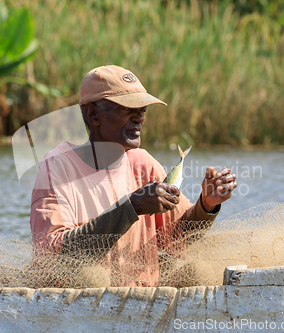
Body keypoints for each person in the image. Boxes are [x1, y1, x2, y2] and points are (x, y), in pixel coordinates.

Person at [30, 65, 237, 287]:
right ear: (93, 114)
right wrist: (131, 208)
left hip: (141, 299)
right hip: (82, 306)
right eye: (127, 108)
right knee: (91, 278)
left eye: (143, 110)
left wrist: (206, 205)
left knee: (199, 272)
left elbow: (178, 236)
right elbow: (54, 255)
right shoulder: (58, 168)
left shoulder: (143, 164)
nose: (139, 118)